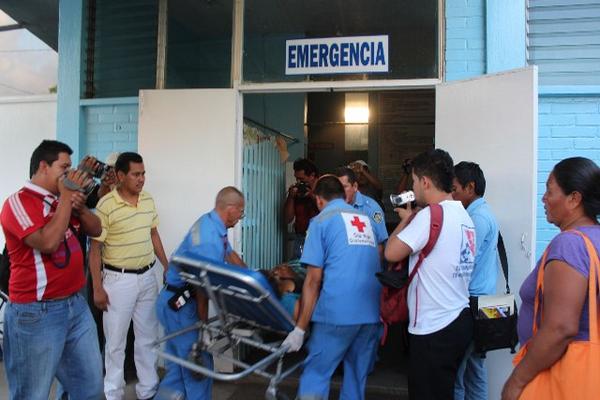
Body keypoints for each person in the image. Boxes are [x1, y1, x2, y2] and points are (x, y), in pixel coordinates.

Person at [0, 139, 103, 399]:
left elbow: (96, 229)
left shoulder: (62, 201)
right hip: (36, 313)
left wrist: (77, 205)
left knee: (90, 387)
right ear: (43, 166)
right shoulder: (18, 203)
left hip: (75, 307)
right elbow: (47, 242)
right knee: (32, 394)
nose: (69, 174)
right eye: (64, 167)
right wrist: (68, 200)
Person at [502, 157, 600, 400]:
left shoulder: (570, 244)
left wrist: (516, 382)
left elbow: (560, 328)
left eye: (549, 191)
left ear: (574, 199)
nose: (543, 198)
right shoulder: (595, 238)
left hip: (562, 377)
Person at [384, 149, 475, 400]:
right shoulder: (464, 216)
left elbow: (391, 253)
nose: (413, 186)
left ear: (425, 182)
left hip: (433, 327)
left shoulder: (430, 215)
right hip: (458, 318)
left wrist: (406, 219)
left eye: (413, 181)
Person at [282, 175, 382, 400]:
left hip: (337, 314)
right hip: (370, 314)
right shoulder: (364, 220)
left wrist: (299, 329)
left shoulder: (321, 221)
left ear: (318, 200)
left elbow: (312, 280)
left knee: (316, 374)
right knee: (356, 379)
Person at [89, 152, 169, 400]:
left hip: (147, 277)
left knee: (147, 338)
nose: (142, 179)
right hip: (117, 281)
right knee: (115, 343)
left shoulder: (147, 200)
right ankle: (113, 393)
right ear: (121, 176)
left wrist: (167, 265)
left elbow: (153, 234)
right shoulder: (106, 205)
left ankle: (148, 390)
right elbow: (95, 250)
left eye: (143, 173)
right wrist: (97, 287)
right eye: (136, 174)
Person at [155, 186, 246, 400]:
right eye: (241, 211)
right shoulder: (208, 240)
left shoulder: (212, 224)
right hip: (180, 306)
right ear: (230, 208)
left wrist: (253, 277)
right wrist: (204, 326)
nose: (241, 216)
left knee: (178, 369)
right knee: (199, 367)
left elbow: (230, 254)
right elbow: (202, 288)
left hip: (173, 302)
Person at [452, 161, 499, 400]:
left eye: (455, 189)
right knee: (475, 368)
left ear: (470, 187)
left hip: (473, 303)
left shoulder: (476, 218)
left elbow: (466, 262)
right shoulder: (484, 213)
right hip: (483, 302)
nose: (452, 195)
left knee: (457, 372)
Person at [284, 158, 320, 258]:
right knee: (298, 270)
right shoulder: (297, 191)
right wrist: (291, 197)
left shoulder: (324, 188)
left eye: (302, 179)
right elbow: (288, 219)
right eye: (297, 178)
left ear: (312, 176)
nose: (298, 182)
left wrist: (311, 195)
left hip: (319, 239)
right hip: (301, 237)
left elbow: (329, 211)